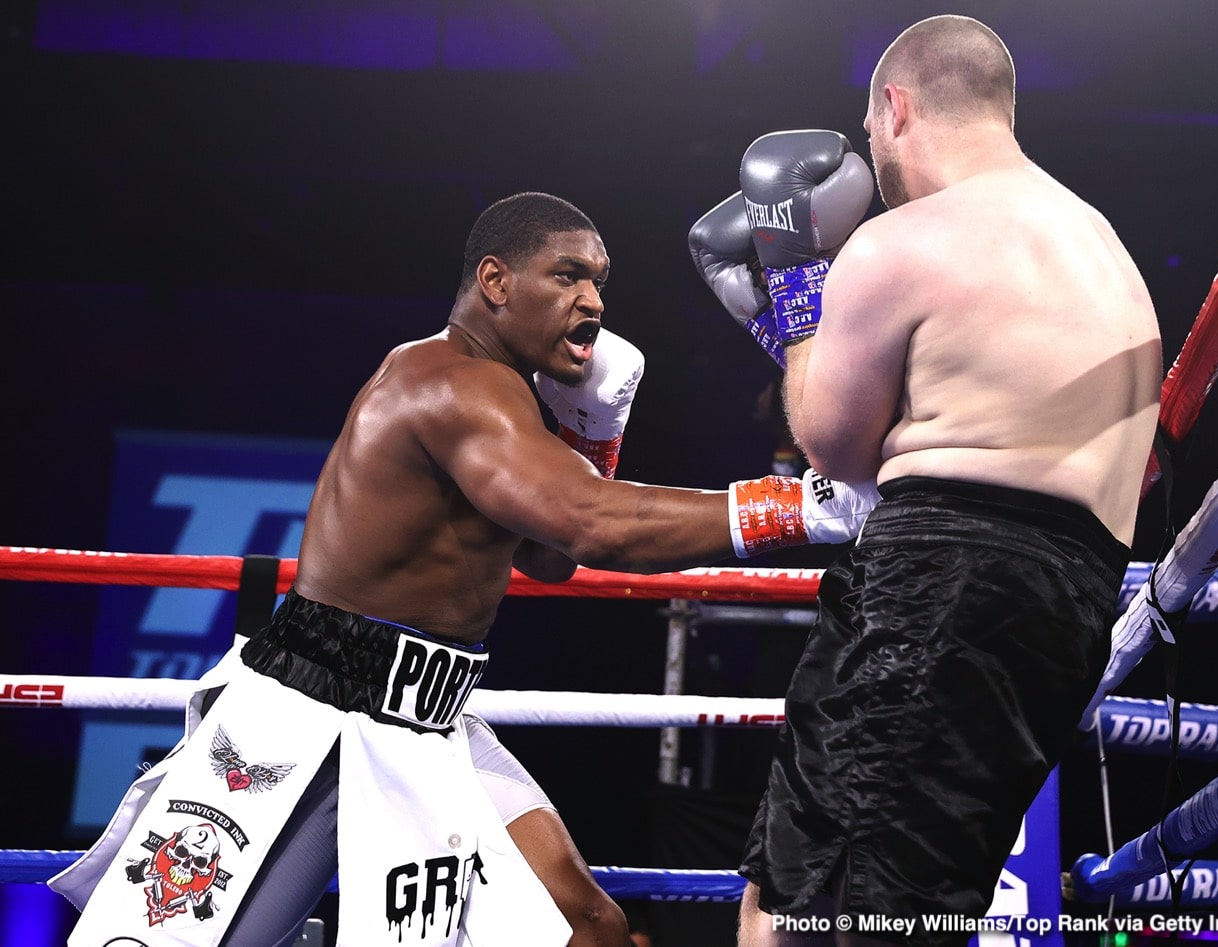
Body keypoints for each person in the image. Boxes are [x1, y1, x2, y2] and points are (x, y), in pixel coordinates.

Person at [51, 191, 879, 946]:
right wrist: (803, 506)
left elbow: (548, 558)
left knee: (588, 925)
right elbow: (587, 525)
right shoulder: (451, 385)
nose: (591, 300)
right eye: (567, 276)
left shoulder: (506, 397)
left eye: (598, 280)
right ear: (495, 280)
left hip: (430, 716)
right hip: (317, 714)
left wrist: (591, 432)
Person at [692, 14, 1162, 946]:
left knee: (866, 909)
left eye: (872, 136)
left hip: (942, 579)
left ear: (895, 109)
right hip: (1066, 599)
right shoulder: (1105, 246)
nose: (877, 159)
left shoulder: (904, 241)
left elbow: (831, 442)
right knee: (793, 888)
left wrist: (793, 291)